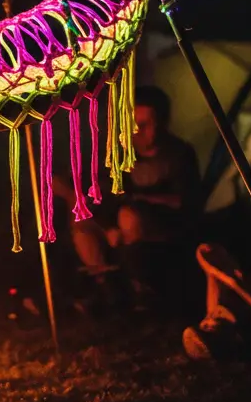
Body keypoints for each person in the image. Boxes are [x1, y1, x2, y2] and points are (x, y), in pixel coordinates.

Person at [56, 85, 201, 307]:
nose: (139, 132)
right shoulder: (120, 155)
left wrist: (138, 204)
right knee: (81, 220)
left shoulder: (179, 154)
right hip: (120, 222)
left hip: (162, 227)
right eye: (135, 126)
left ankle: (141, 287)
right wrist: (107, 226)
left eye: (146, 125)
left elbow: (185, 201)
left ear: (162, 122)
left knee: (129, 216)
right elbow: (106, 194)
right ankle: (105, 286)